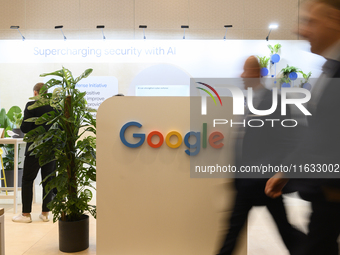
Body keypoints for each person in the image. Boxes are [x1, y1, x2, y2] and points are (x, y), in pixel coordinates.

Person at [265, 1, 340, 254]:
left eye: (311, 21)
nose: (301, 30)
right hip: (326, 196)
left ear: (334, 19)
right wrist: (286, 170)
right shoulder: (329, 70)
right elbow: (319, 131)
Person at [217, 56, 305, 255]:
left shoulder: (275, 101)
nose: (241, 75)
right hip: (247, 181)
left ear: (256, 73)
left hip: (265, 180)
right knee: (233, 230)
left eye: (245, 70)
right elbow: (245, 142)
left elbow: (286, 140)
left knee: (285, 232)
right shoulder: (248, 101)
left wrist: (276, 173)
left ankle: (315, 250)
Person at [12, 83, 56, 223]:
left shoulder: (31, 105)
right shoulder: (55, 106)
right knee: (47, 181)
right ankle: (45, 214)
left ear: (35, 93)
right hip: (50, 149)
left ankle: (26, 214)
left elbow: (24, 128)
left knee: (27, 180)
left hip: (34, 149)